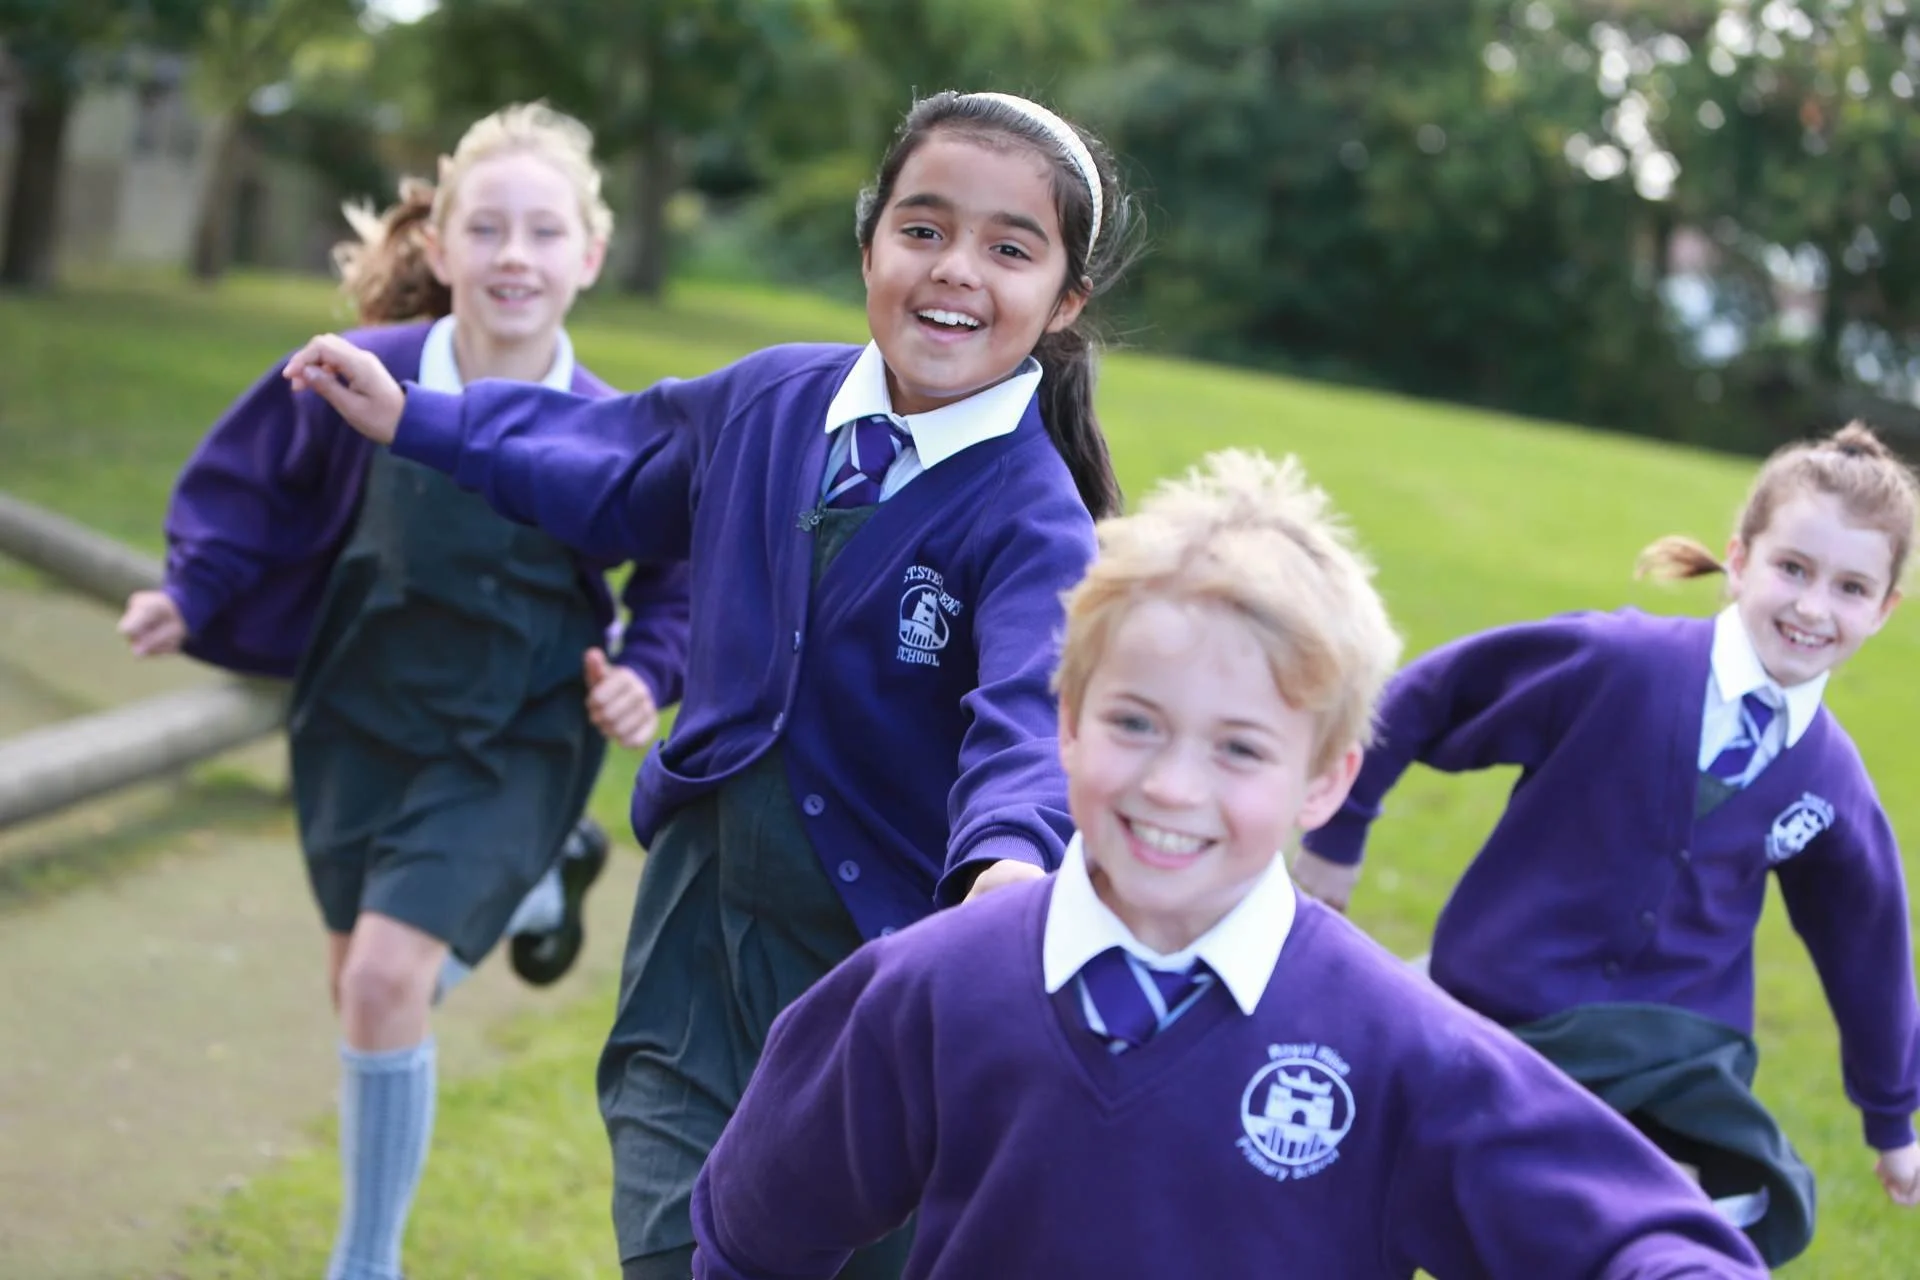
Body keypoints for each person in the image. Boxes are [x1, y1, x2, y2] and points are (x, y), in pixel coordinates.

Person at [278, 89, 1140, 1277]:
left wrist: (1007, 861)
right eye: (925, 228)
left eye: (1011, 248)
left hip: (882, 978)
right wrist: (428, 421)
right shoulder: (771, 400)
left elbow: (1032, 713)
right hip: (700, 929)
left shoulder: (1034, 519)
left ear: (1066, 300)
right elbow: (612, 452)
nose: (956, 271)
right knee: (675, 1239)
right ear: (870, 239)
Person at [685, 449, 1770, 1279]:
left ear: (1325, 779)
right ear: (1066, 719)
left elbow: (1631, 1231)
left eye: (1240, 747)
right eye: (1137, 723)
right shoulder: (935, 986)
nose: (1172, 785)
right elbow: (754, 1227)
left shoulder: (1393, 1040)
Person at [116, 103, 689, 1280]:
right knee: (366, 993)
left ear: (590, 252)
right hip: (359, 719)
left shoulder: (609, 427)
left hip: (513, 736)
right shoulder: (361, 372)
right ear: (440, 247)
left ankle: (364, 1261)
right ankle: (541, 888)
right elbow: (251, 488)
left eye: (545, 231)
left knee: (386, 978)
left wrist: (646, 671)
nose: (514, 255)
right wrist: (194, 591)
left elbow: (682, 572)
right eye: (488, 228)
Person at [1295, 422, 1920, 1264]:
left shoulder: (1830, 781)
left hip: (1677, 1064)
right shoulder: (1619, 663)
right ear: (1739, 560)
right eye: (1793, 570)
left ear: (1883, 611)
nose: (1813, 607)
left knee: (1732, 1210)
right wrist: (1341, 830)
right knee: (1389, 1190)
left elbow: (1867, 945)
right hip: (1510, 1010)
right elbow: (1429, 697)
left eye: (1850, 588)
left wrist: (1892, 1120)